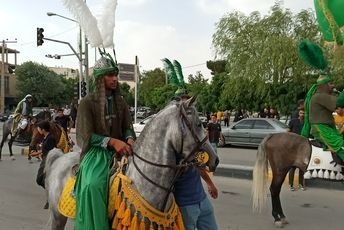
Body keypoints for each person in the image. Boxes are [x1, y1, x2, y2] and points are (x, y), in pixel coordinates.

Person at [75, 55, 135, 230]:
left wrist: (129, 138)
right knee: (92, 185)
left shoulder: (121, 102)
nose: (114, 79)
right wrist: (111, 141)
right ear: (100, 79)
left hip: (122, 150)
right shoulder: (87, 102)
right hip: (97, 153)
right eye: (109, 75)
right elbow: (85, 136)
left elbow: (127, 127)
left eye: (115, 75)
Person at [302, 75, 344, 164]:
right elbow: (339, 102)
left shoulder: (320, 96)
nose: (333, 86)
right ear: (324, 85)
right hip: (321, 129)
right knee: (341, 146)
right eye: (331, 84)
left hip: (327, 129)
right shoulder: (320, 96)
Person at [30, 120, 57, 189]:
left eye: (39, 128)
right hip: (45, 159)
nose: (38, 130)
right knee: (42, 179)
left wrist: (37, 153)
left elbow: (50, 151)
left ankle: (51, 190)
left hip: (48, 160)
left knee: (39, 179)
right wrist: (37, 153)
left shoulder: (50, 138)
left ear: (43, 129)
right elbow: (45, 149)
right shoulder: (46, 137)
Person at [288, 109, 305, 191]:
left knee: (302, 167)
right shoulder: (293, 121)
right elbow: (288, 132)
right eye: (301, 113)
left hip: (303, 147)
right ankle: (291, 184)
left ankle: (301, 184)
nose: (302, 114)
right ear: (298, 114)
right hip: (294, 147)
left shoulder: (306, 123)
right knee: (293, 166)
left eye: (304, 113)